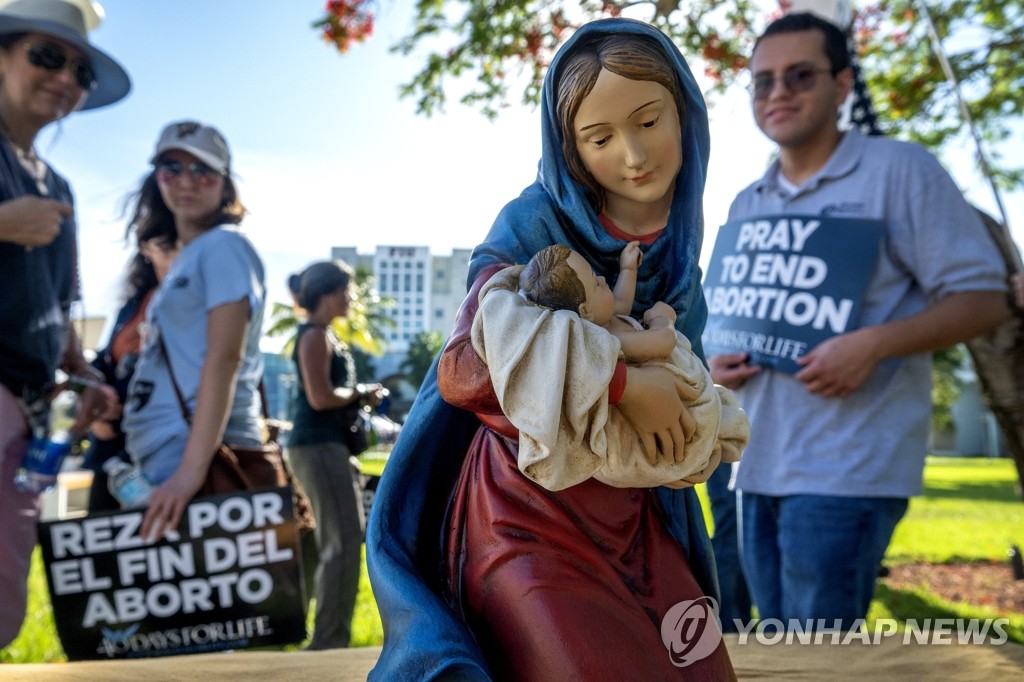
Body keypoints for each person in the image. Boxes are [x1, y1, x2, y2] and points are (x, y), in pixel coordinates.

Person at [368, 18, 736, 680]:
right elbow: (465, 371)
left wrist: (687, 414)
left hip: (635, 507)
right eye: (600, 137)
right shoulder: (530, 225)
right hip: (529, 506)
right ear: (570, 151)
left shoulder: (678, 253)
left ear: (685, 113)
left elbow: (687, 367)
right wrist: (622, 387)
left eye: (649, 120)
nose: (632, 154)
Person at [708, 12, 1009, 631]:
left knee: (820, 656)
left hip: (846, 469)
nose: (778, 93)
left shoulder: (901, 171)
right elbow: (723, 319)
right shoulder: (748, 200)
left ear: (843, 84)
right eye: (762, 82)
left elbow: (984, 297)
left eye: (799, 76)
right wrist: (714, 363)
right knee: (780, 650)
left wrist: (874, 344)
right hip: (753, 461)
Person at [0, 0, 128, 649]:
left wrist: (83, 374)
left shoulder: (60, 187)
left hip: (30, 413)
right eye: (46, 56)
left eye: (81, 71)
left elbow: (57, 303)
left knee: (3, 592)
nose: (65, 79)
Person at [120, 120, 267, 543]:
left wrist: (189, 472)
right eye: (171, 167)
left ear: (225, 185)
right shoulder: (189, 256)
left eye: (203, 170)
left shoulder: (224, 245)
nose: (187, 181)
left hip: (202, 460)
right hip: (174, 456)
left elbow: (225, 358)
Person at [508, 242, 748, 488]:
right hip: (661, 411)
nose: (602, 277)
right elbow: (662, 342)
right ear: (585, 311)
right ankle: (714, 433)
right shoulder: (609, 342)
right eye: (596, 282)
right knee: (707, 417)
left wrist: (627, 269)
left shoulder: (603, 318)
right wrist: (662, 319)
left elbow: (620, 301)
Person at [285, 260, 385, 650]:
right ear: (327, 294)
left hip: (326, 447)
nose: (350, 297)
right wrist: (360, 392)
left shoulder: (322, 334)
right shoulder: (313, 336)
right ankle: (328, 644)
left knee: (331, 542)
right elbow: (320, 396)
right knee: (341, 544)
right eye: (345, 290)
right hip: (316, 445)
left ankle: (322, 635)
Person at [84, 222, 177, 512]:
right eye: (164, 243)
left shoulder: (190, 300)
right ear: (145, 249)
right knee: (102, 537)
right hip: (112, 447)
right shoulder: (133, 304)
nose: (175, 251)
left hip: (162, 442)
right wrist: (94, 405)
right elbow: (105, 361)